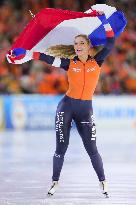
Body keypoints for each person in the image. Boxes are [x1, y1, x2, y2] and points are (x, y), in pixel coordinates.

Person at [9, 12, 115, 198]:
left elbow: (111, 42)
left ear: (89, 46)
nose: (78, 46)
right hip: (66, 107)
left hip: (85, 110)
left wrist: (105, 22)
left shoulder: (98, 61)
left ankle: (103, 181)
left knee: (92, 149)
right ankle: (55, 181)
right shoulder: (68, 63)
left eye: (82, 43)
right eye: (76, 44)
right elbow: (45, 57)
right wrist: (27, 53)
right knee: (61, 147)